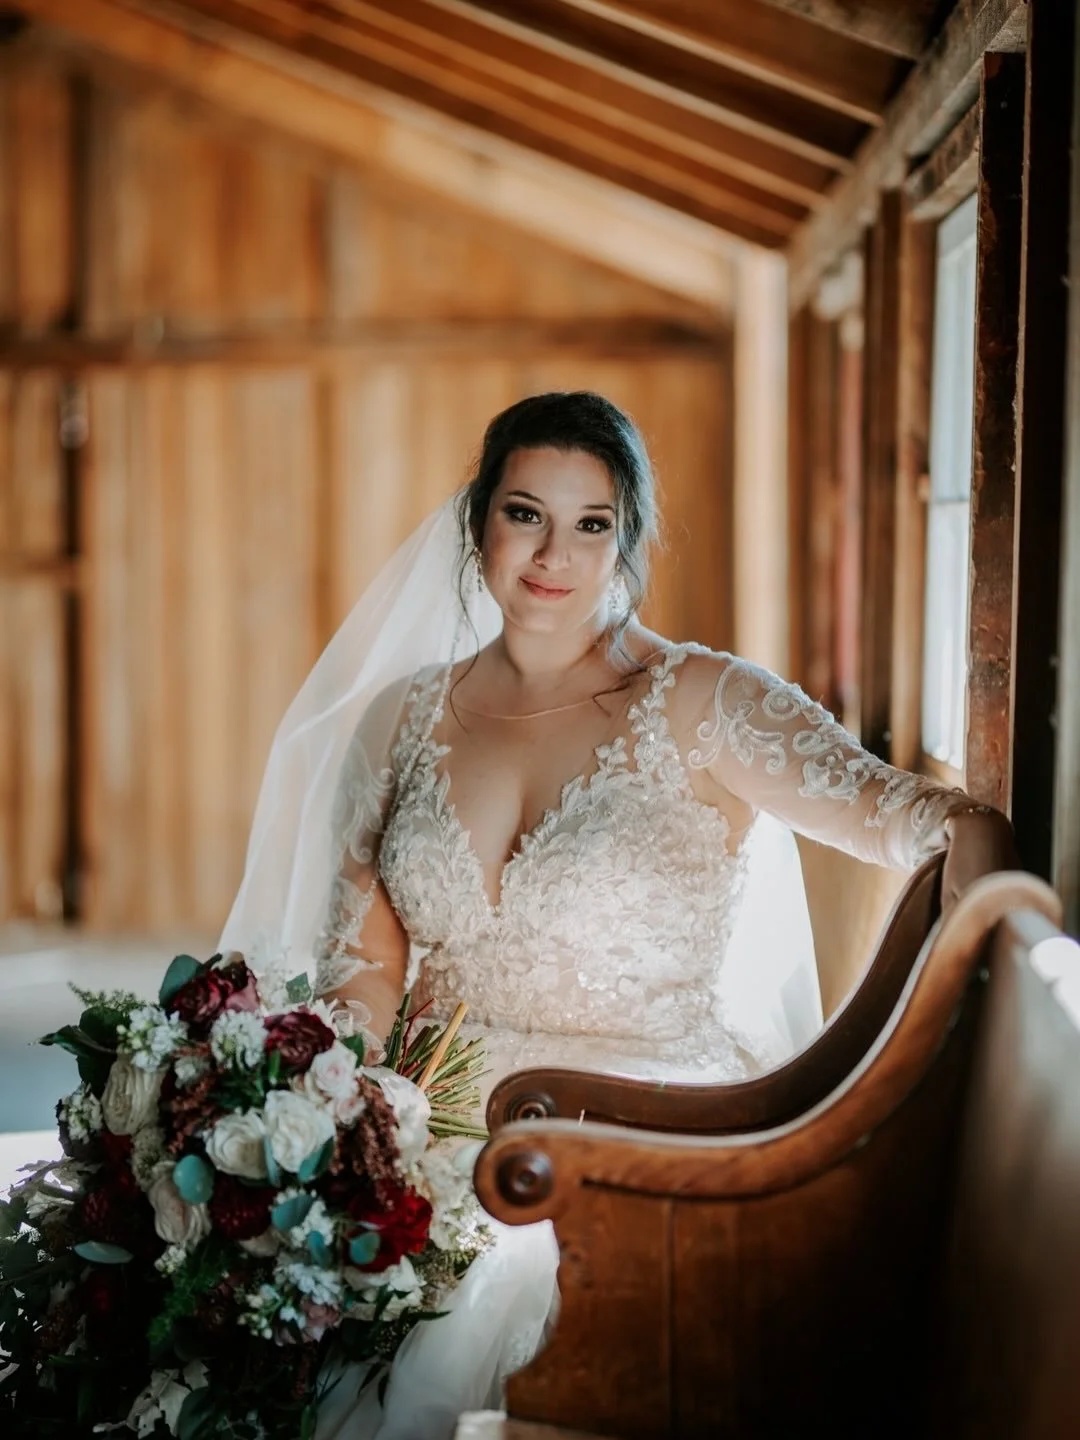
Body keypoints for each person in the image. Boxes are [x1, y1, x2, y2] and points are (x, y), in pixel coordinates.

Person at [220, 391, 1010, 1439]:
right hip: (444, 1121)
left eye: (592, 523)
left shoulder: (706, 703)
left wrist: (956, 1010)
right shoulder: (401, 720)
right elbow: (364, 966)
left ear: (628, 540)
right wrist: (342, 1106)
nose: (555, 553)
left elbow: (943, 826)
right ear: (478, 525)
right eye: (524, 513)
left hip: (657, 1122)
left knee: (512, 1286)